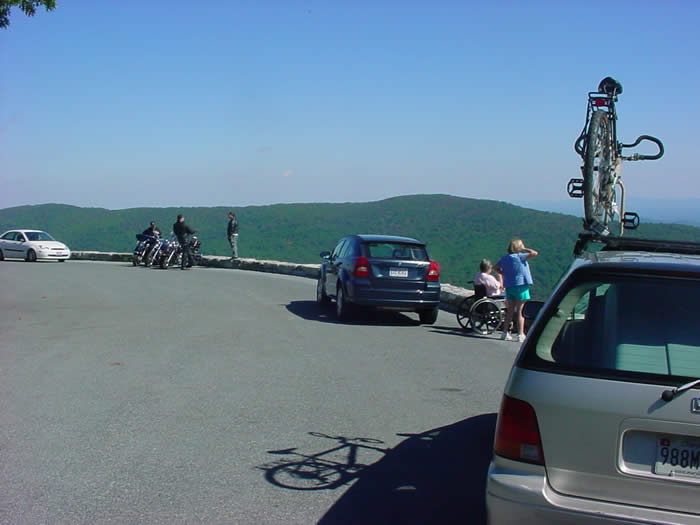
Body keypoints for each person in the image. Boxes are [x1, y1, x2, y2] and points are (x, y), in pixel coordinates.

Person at [495, 239, 538, 342]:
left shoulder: (505, 258)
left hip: (509, 286)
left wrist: (504, 273)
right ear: (519, 247)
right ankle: (520, 334)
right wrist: (524, 249)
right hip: (521, 286)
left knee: (510, 311)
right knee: (520, 311)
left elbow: (495, 267)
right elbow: (534, 253)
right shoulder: (520, 256)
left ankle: (505, 333)